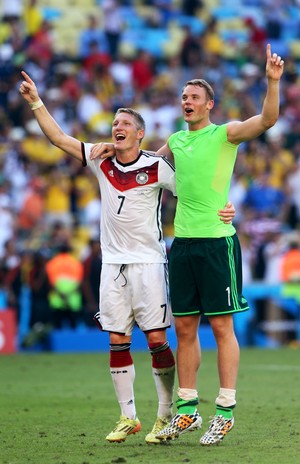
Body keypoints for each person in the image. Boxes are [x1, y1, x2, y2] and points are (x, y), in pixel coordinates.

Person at [19, 70, 235, 445]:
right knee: (117, 339)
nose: (116, 127)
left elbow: (197, 188)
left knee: (155, 338)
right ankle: (128, 417)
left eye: (124, 124)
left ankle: (167, 415)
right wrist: (36, 101)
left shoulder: (157, 166)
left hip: (150, 263)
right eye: (114, 123)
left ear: (139, 134)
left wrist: (226, 209)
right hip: (113, 265)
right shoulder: (100, 160)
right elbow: (57, 138)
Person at [90, 43, 284, 446]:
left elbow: (267, 119)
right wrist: (113, 148)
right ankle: (188, 410)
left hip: (217, 244)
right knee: (184, 327)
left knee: (221, 326)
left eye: (194, 97)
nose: (187, 101)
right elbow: (142, 163)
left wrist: (271, 81)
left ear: (210, 104)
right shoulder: (176, 142)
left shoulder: (225, 134)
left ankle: (225, 409)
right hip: (182, 246)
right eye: (184, 97)